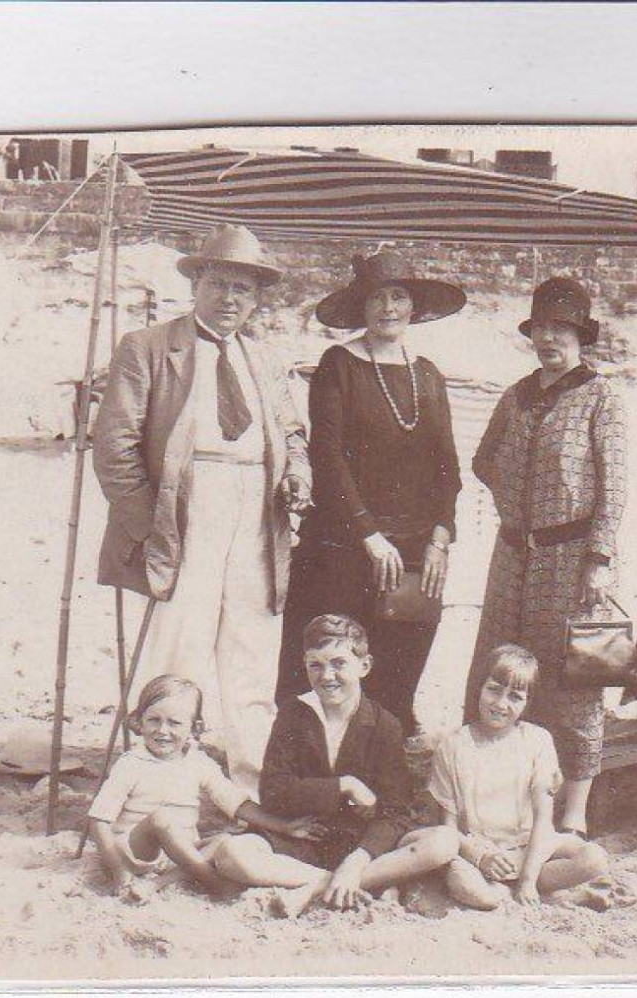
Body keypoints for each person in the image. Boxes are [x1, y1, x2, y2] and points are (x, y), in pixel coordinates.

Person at [92, 224, 312, 795]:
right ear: (196, 285)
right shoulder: (149, 348)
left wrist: (296, 477)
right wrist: (150, 525)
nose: (230, 298)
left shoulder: (265, 359)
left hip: (258, 513)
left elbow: (292, 434)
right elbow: (113, 445)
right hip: (185, 509)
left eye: (243, 288)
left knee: (252, 646)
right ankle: (163, 777)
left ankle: (253, 781)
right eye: (219, 284)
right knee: (179, 642)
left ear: (257, 297)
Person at [276, 251, 465, 740]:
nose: (389, 307)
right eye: (377, 297)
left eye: (398, 296)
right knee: (334, 661)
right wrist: (370, 536)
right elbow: (328, 458)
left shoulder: (428, 373)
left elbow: (448, 466)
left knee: (399, 666)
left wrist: (440, 538)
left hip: (415, 549)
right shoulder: (337, 365)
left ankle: (386, 763)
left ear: (412, 307)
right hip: (344, 542)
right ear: (361, 307)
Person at [466, 278, 628, 838]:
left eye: (560, 329)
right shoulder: (516, 394)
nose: (548, 338)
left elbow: (616, 484)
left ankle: (575, 814)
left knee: (573, 679)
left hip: (573, 558)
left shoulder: (601, 397)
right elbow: (484, 460)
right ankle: (504, 794)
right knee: (503, 668)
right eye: (540, 329)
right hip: (512, 555)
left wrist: (599, 556)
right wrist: (520, 504)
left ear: (581, 337)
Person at [214, 614, 460, 917]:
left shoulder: (385, 725)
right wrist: (344, 785)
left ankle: (320, 887)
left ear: (364, 666)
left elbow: (395, 811)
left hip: (361, 845)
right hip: (302, 839)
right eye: (315, 664)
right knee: (230, 854)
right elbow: (274, 790)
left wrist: (357, 860)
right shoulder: (294, 713)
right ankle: (341, 883)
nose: (327, 676)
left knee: (443, 842)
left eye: (338, 663)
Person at [87, 675, 326, 903]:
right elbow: (98, 820)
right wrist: (119, 871)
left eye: (175, 723)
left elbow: (235, 802)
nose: (162, 731)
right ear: (139, 721)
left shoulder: (198, 762)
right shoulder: (132, 763)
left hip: (181, 854)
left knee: (226, 841)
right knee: (162, 819)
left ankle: (160, 883)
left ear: (195, 728)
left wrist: (283, 826)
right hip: (136, 851)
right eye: (154, 720)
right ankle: (214, 882)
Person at [435, 645, 608, 909]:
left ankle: (525, 888)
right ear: (479, 688)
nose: (501, 704)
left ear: (527, 702)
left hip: (532, 848)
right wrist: (480, 857)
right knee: (470, 889)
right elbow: (448, 827)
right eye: (493, 689)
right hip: (479, 850)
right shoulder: (453, 744)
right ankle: (550, 896)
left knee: (594, 859)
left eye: (515, 697)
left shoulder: (537, 740)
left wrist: (527, 878)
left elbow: (543, 818)